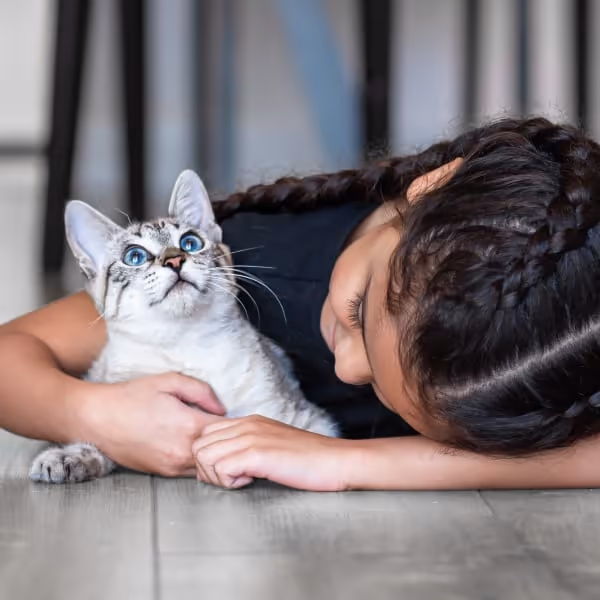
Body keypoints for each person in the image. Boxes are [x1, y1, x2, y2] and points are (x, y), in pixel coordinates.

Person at [3, 116, 600, 491]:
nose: (347, 367)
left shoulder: (556, 349)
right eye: (358, 310)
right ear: (428, 188)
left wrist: (349, 464)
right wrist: (92, 415)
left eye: (390, 390)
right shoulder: (254, 261)